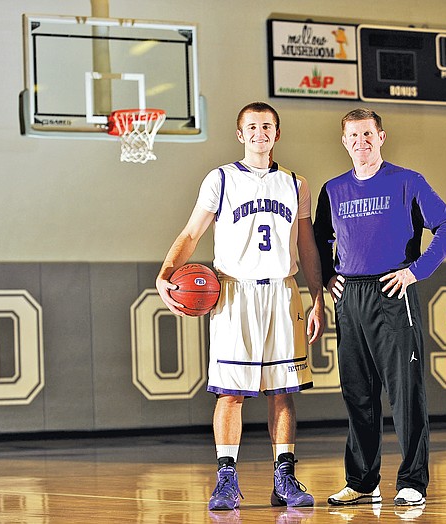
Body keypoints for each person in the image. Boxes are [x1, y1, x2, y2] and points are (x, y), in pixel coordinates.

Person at [156, 102, 325, 511]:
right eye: (252, 126)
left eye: (267, 126)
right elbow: (192, 232)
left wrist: (318, 297)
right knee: (230, 393)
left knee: (282, 392)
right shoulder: (221, 179)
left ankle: (284, 476)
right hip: (234, 293)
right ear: (240, 134)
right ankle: (226, 479)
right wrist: (166, 270)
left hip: (283, 292)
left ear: (277, 134)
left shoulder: (296, 183)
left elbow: (306, 246)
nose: (259, 132)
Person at [313, 108, 446, 507]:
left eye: (367, 134)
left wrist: (416, 271)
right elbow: (317, 241)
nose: (360, 142)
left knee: (405, 393)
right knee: (358, 394)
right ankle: (362, 482)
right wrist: (328, 276)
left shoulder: (408, 181)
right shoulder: (332, 190)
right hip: (350, 298)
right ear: (344, 141)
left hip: (394, 291)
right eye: (352, 136)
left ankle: (413, 480)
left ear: (381, 137)